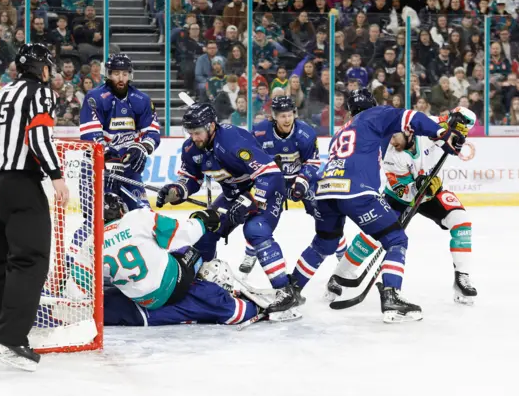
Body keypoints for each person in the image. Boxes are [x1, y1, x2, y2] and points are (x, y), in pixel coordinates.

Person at [292, 88, 467, 323]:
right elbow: (414, 118)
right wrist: (442, 133)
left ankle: (291, 290)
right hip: (361, 192)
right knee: (396, 239)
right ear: (373, 105)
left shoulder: (343, 131)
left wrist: (449, 124)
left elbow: (435, 123)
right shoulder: (378, 118)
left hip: (327, 192)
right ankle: (392, 295)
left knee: (324, 243)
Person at [156, 103, 302, 315]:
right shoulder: (191, 149)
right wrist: (176, 191)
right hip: (233, 193)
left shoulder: (232, 141)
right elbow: (190, 179)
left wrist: (248, 201)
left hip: (265, 188)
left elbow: (269, 173)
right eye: (191, 133)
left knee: (255, 230)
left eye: (197, 132)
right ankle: (203, 288)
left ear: (211, 126)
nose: (194, 138)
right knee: (205, 228)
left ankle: (285, 290)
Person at [324, 108, 478, 306]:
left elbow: (453, 122)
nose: (392, 141)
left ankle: (461, 278)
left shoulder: (426, 125)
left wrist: (457, 126)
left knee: (461, 223)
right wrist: (418, 187)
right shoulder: (389, 154)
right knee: (372, 237)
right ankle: (339, 274)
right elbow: (402, 190)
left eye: (395, 135)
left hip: (433, 191)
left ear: (409, 131)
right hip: (400, 196)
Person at [0, 43, 70, 371]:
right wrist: (57, 176)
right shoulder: (42, 93)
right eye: (48, 66)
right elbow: (38, 138)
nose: (50, 72)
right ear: (40, 68)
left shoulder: (4, 91)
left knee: (2, 263)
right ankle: (11, 340)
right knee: (30, 262)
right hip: (22, 186)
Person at [68, 193, 261, 326]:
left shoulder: (90, 244)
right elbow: (184, 233)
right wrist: (202, 219)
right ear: (121, 211)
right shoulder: (136, 218)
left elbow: (75, 291)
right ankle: (219, 283)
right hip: (174, 285)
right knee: (190, 251)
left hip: (144, 301)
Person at [71, 53, 160, 261]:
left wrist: (142, 148)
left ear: (130, 75)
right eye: (115, 73)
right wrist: (108, 161)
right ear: (107, 74)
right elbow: (91, 138)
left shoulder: (141, 100)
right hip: (95, 169)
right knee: (96, 221)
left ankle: (150, 265)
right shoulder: (94, 98)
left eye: (124, 73)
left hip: (128, 169)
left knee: (144, 216)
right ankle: (69, 266)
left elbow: (152, 132)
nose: (120, 78)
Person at [239, 95, 338, 278]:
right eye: (282, 116)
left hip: (300, 180)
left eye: (289, 115)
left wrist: (301, 181)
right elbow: (250, 158)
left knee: (327, 214)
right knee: (259, 218)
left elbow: (313, 162)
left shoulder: (306, 133)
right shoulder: (260, 133)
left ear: (295, 114)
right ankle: (250, 252)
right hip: (273, 182)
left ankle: (341, 252)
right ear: (273, 116)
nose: (287, 119)